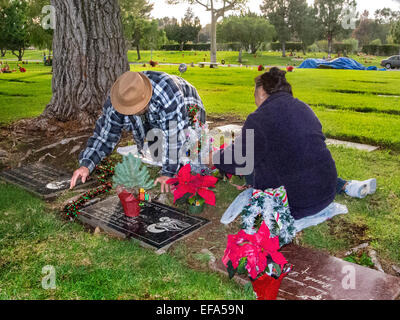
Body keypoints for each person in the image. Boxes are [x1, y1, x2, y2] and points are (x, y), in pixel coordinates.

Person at [211, 67, 376, 221]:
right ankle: (346, 185)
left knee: (251, 165)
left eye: (254, 92)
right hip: (326, 192)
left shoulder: (259, 118)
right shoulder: (304, 108)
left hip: (297, 204)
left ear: (261, 91)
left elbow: (238, 160)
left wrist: (214, 158)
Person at [70, 71, 206, 192]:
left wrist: (168, 173)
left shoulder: (167, 92)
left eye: (135, 107)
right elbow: (104, 136)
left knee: (189, 154)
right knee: (156, 152)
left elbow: (175, 136)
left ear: (145, 97)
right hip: (156, 117)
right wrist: (86, 165)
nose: (131, 112)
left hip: (188, 108)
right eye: (128, 109)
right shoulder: (119, 98)